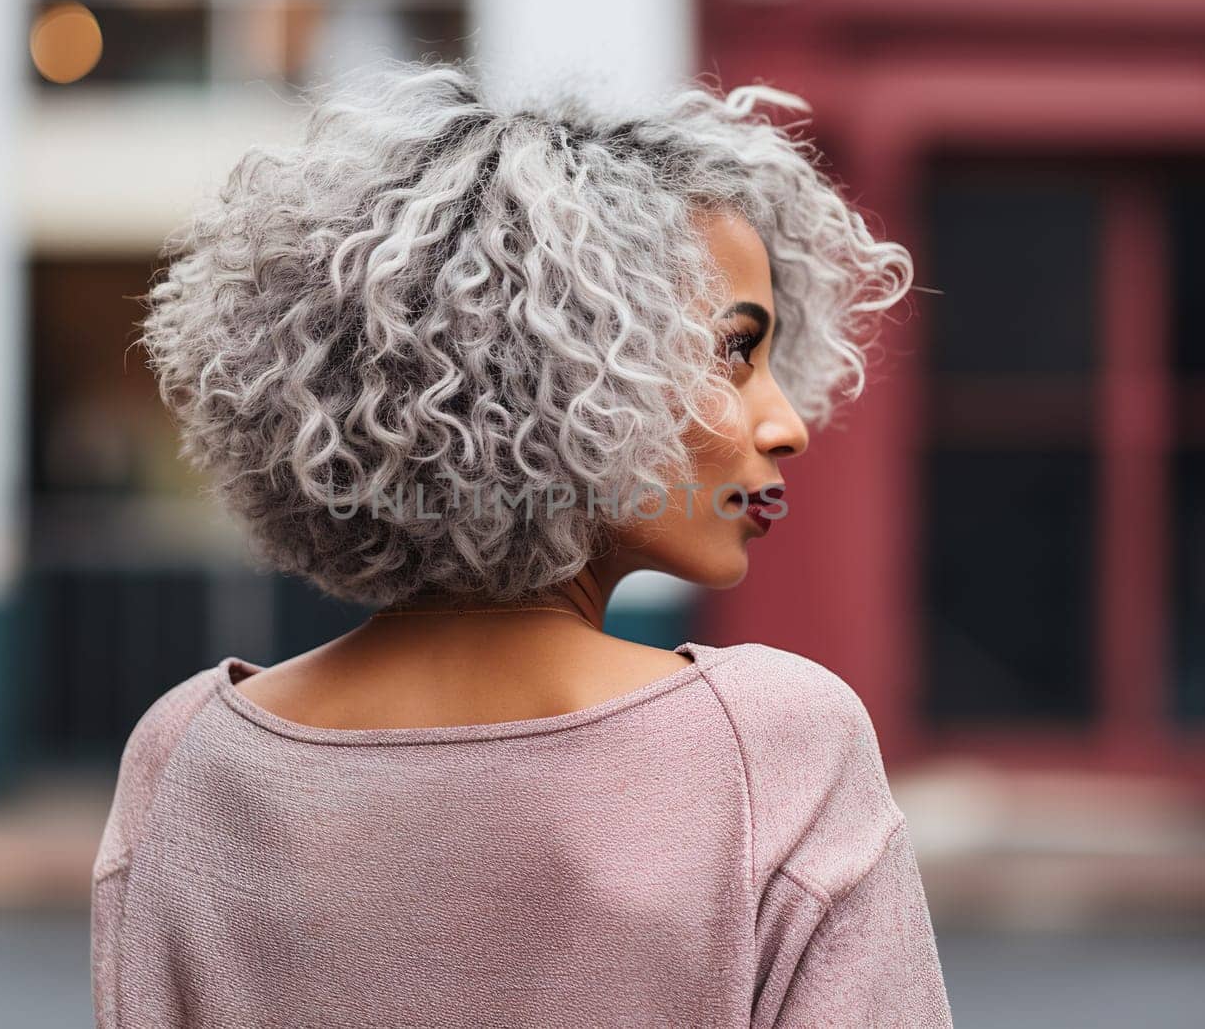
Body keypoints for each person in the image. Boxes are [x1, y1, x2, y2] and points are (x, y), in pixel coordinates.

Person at [92, 58, 952, 1028]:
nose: (786, 422)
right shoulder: (772, 746)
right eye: (733, 350)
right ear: (565, 369)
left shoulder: (183, 758)